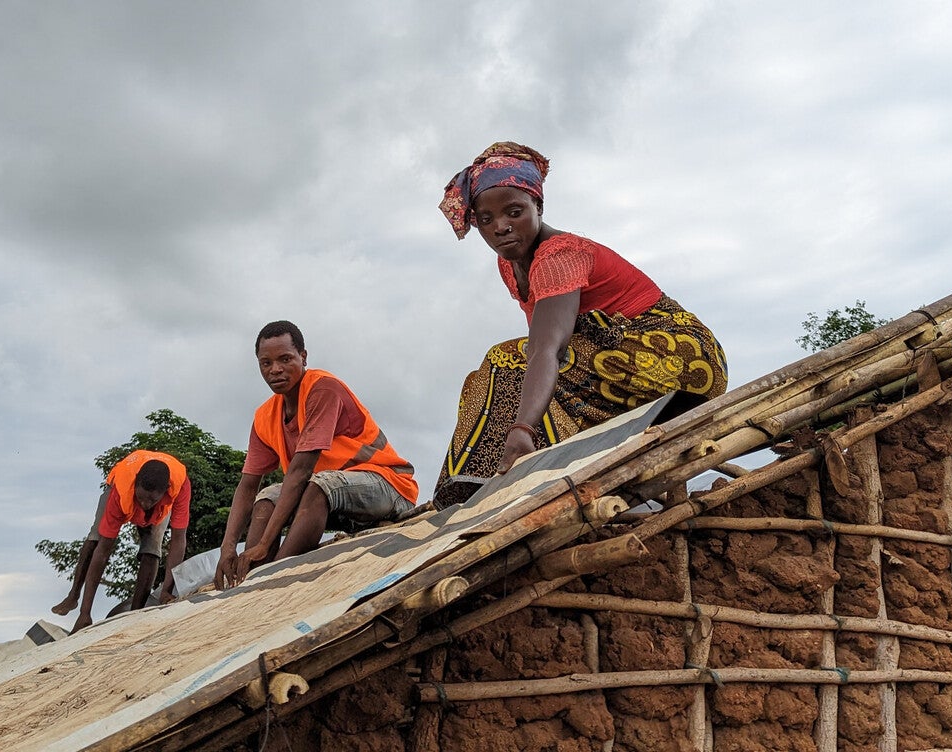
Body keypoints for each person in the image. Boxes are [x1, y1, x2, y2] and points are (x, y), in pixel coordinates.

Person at [434, 142, 729, 507]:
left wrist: (522, 428)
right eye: (486, 219)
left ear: (538, 207)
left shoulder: (560, 255)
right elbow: (546, 349)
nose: (501, 227)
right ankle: (492, 480)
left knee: (506, 360)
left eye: (514, 212)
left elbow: (549, 348)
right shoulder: (510, 266)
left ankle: (487, 477)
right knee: (484, 383)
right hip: (614, 357)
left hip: (681, 356)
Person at [213, 320, 419, 588]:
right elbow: (248, 485)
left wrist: (266, 544)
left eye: (285, 359)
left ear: (303, 356)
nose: (275, 370)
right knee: (266, 498)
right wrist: (227, 548)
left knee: (318, 484)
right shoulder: (265, 416)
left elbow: (300, 472)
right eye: (266, 363)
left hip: (387, 486)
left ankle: (275, 577)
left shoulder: (323, 388)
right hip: (333, 497)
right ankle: (249, 574)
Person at [51, 449, 190, 633]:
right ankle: (74, 595)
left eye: (152, 500)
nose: (146, 504)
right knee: (96, 539)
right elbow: (103, 551)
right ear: (136, 486)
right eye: (142, 498)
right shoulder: (121, 490)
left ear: (164, 492)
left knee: (153, 547)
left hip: (161, 504)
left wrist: (167, 590)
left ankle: (135, 612)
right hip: (120, 491)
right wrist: (86, 613)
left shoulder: (180, 487)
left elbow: (178, 540)